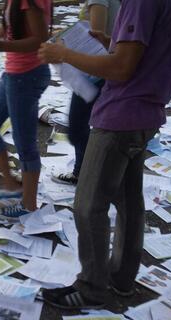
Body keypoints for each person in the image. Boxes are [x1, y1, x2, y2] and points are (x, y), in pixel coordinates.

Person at [38, 0, 171, 309]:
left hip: (121, 115)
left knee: (88, 206)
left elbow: (122, 68)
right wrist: (107, 43)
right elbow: (138, 54)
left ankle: (92, 289)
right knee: (128, 201)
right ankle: (123, 279)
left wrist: (64, 54)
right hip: (147, 111)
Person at [0, 0, 53, 221]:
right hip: (12, 75)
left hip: (27, 76)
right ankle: (12, 184)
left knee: (24, 143)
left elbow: (39, 40)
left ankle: (29, 205)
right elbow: (12, 27)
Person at [52, 0, 120, 185]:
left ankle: (89, 172)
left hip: (94, 72)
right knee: (95, 124)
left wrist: (64, 50)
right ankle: (87, 170)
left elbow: (95, 36)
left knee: (77, 127)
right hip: (104, 68)